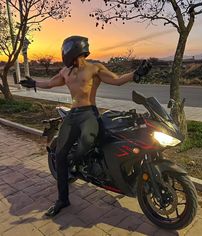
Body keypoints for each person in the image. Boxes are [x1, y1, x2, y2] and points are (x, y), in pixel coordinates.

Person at [19, 35, 152, 217]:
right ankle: (62, 199)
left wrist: (136, 74)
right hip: (73, 115)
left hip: (89, 113)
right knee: (60, 155)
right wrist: (34, 83)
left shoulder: (94, 68)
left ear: (72, 50)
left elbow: (117, 79)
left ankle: (80, 163)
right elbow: (50, 83)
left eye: (64, 50)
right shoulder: (66, 72)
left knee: (87, 142)